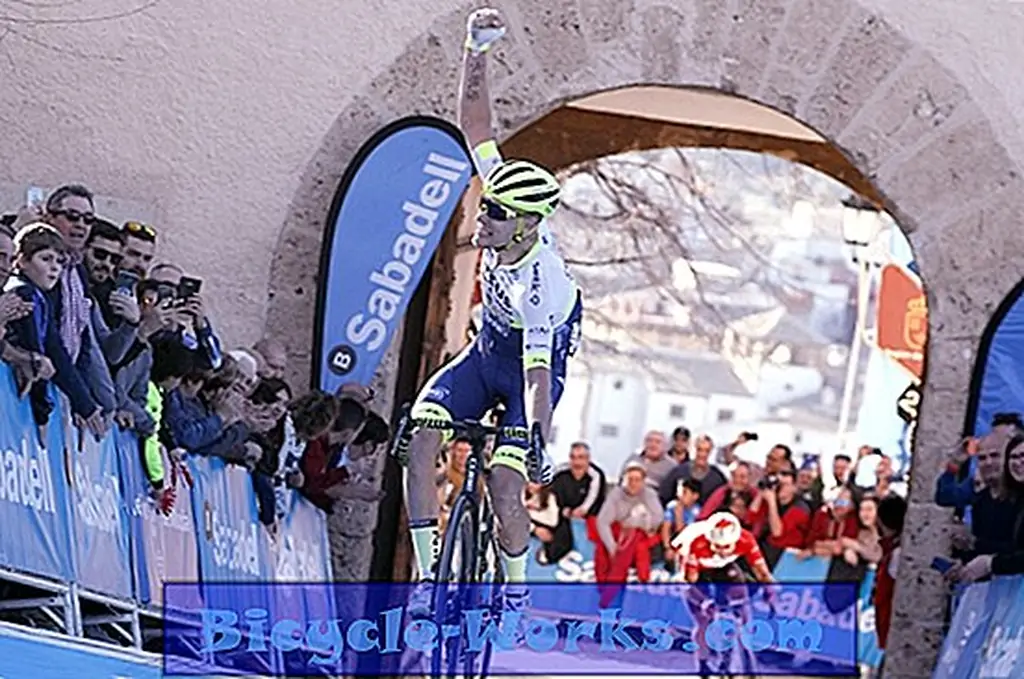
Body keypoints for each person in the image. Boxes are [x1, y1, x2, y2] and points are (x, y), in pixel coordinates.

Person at [399, 7, 582, 619]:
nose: (483, 217)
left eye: (495, 214)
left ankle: (517, 588)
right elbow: (474, 123)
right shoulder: (505, 191)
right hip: (484, 356)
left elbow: (537, 377)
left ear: (526, 225)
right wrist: (475, 51)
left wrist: (536, 442)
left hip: (529, 373)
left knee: (505, 484)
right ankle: (428, 575)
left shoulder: (541, 283)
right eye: (485, 205)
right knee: (420, 440)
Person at [674, 512, 776, 675]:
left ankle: (745, 657)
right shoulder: (696, 543)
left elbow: (762, 572)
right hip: (696, 571)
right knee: (703, 620)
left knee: (742, 604)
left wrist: (769, 590)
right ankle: (703, 664)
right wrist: (704, 602)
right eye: (717, 546)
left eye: (726, 547)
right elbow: (688, 583)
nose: (721, 551)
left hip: (723, 567)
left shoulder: (746, 539)